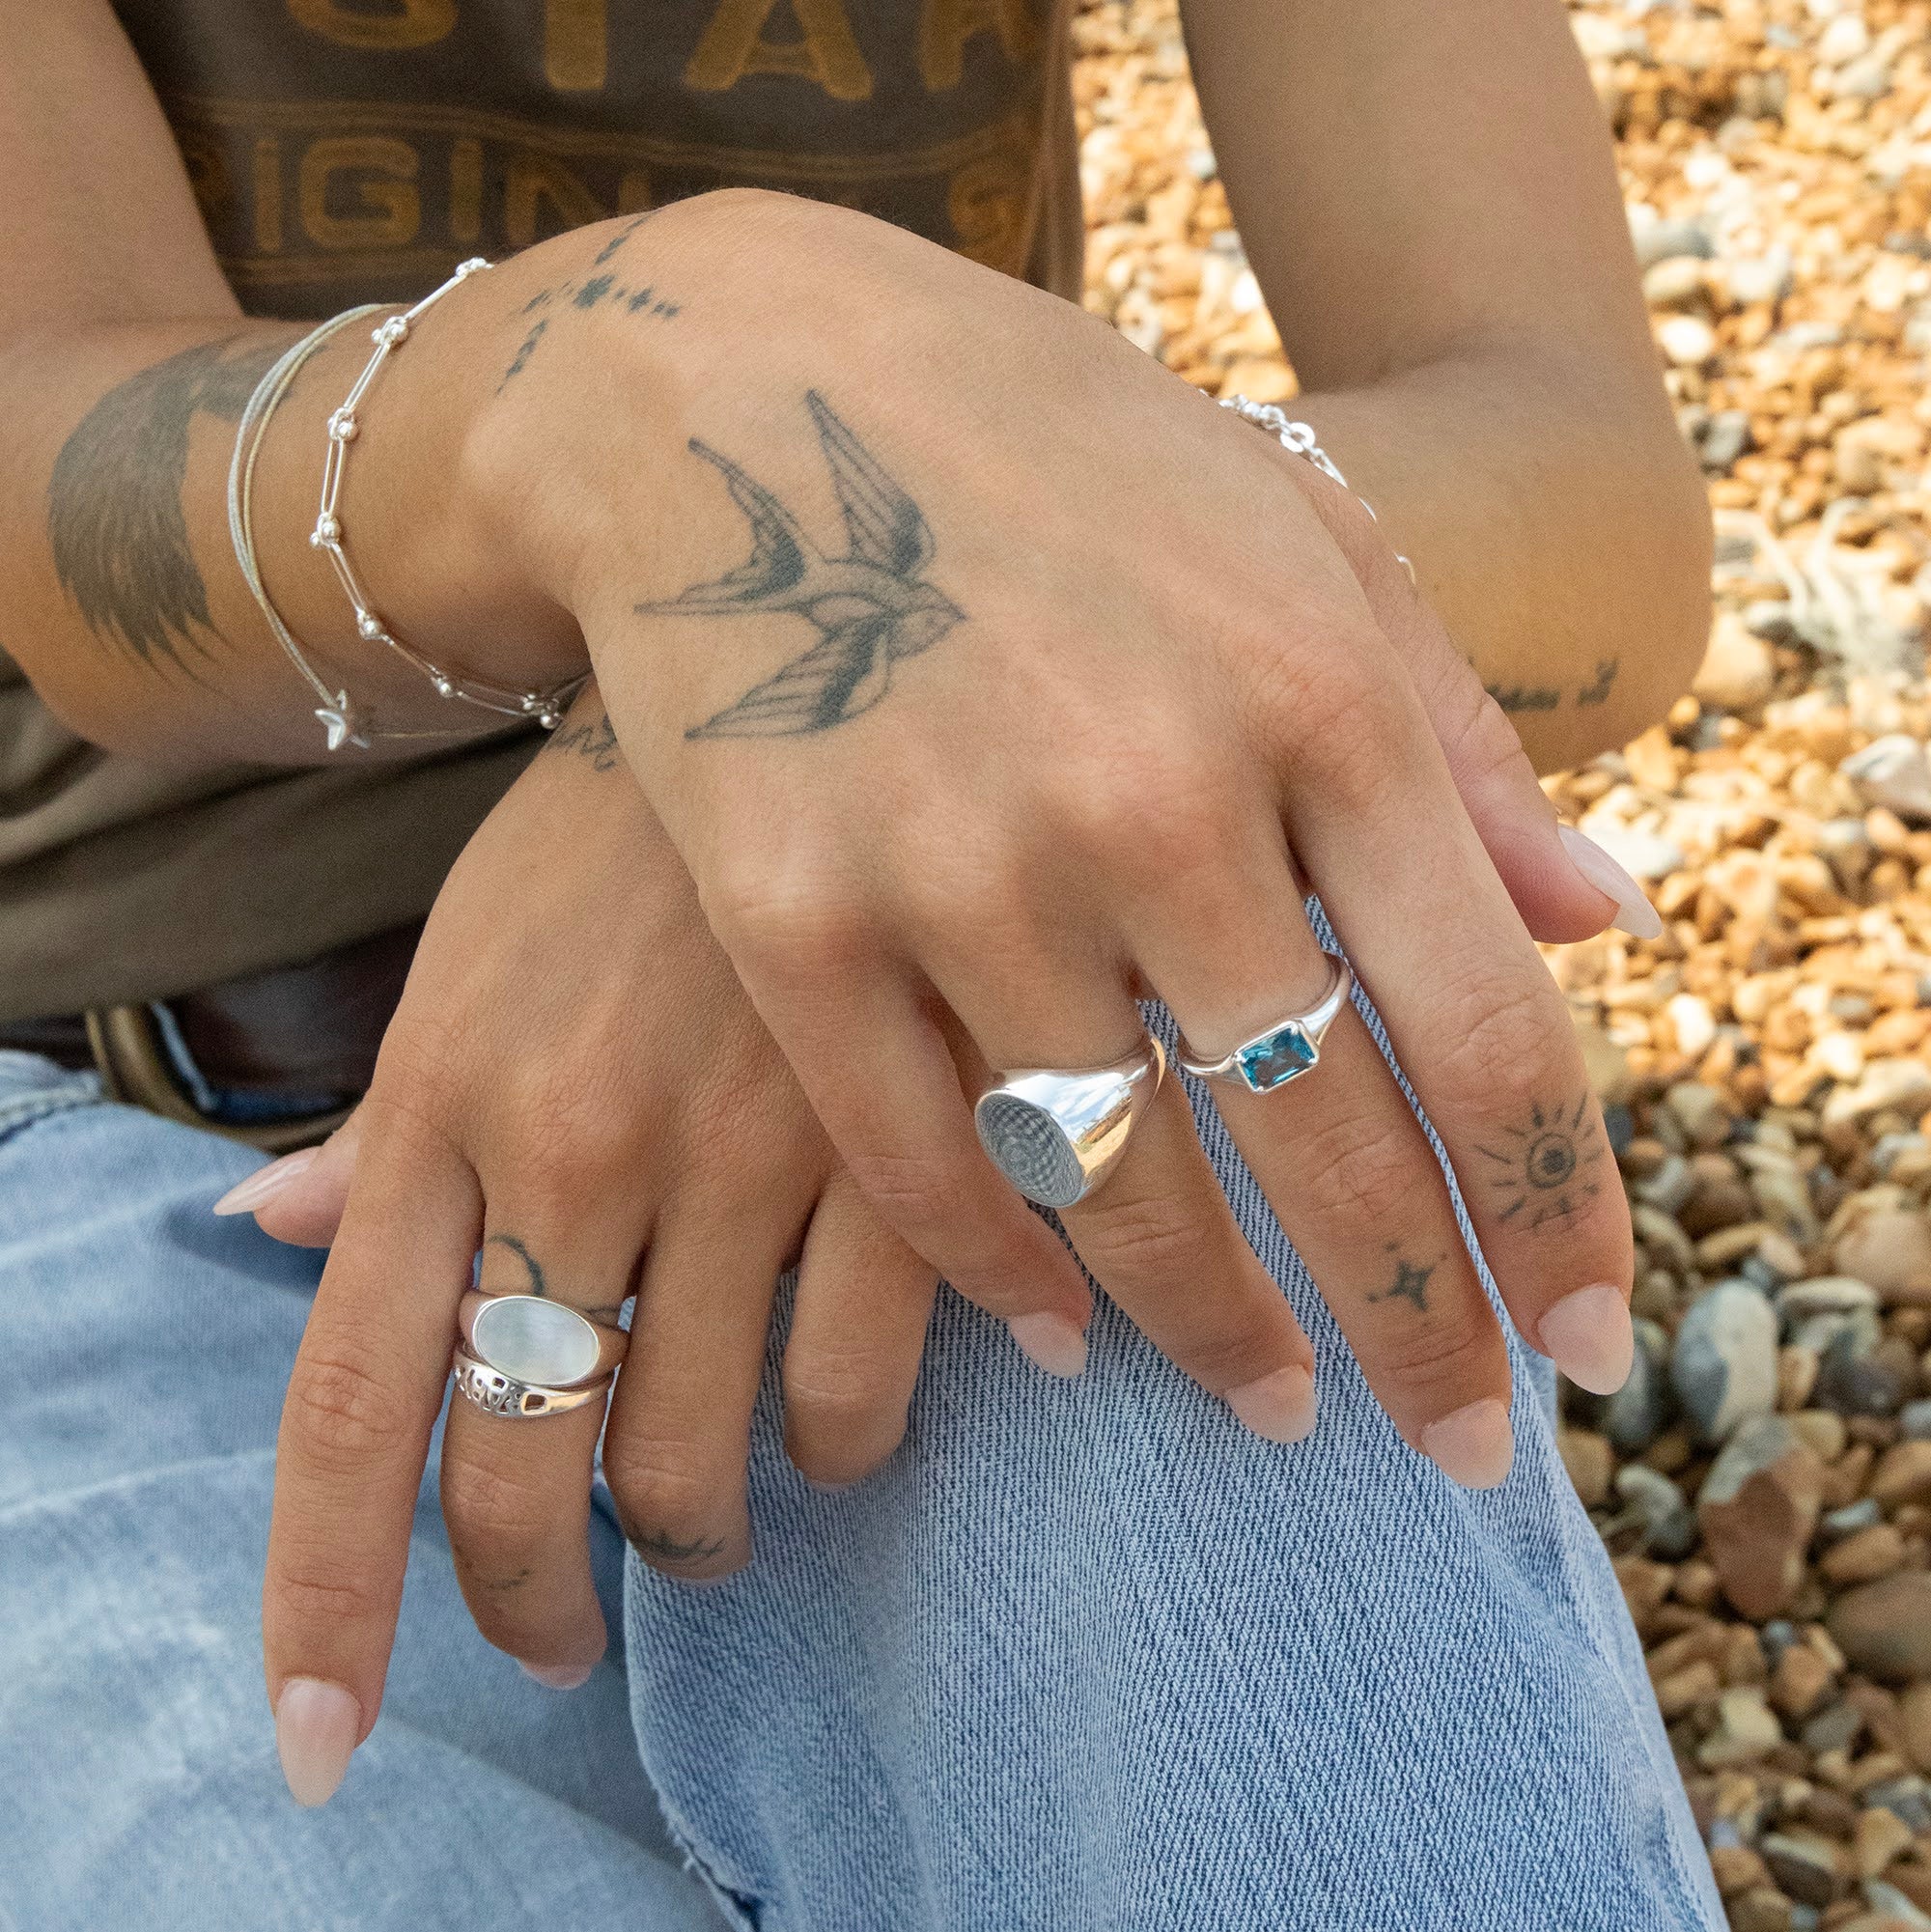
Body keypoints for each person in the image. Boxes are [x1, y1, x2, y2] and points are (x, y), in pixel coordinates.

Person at [0, 0, 1724, 1925]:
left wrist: (854, 686)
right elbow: (63, 482)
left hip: (949, 950)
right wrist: (633, 368)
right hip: (108, 1111)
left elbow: (1587, 482)